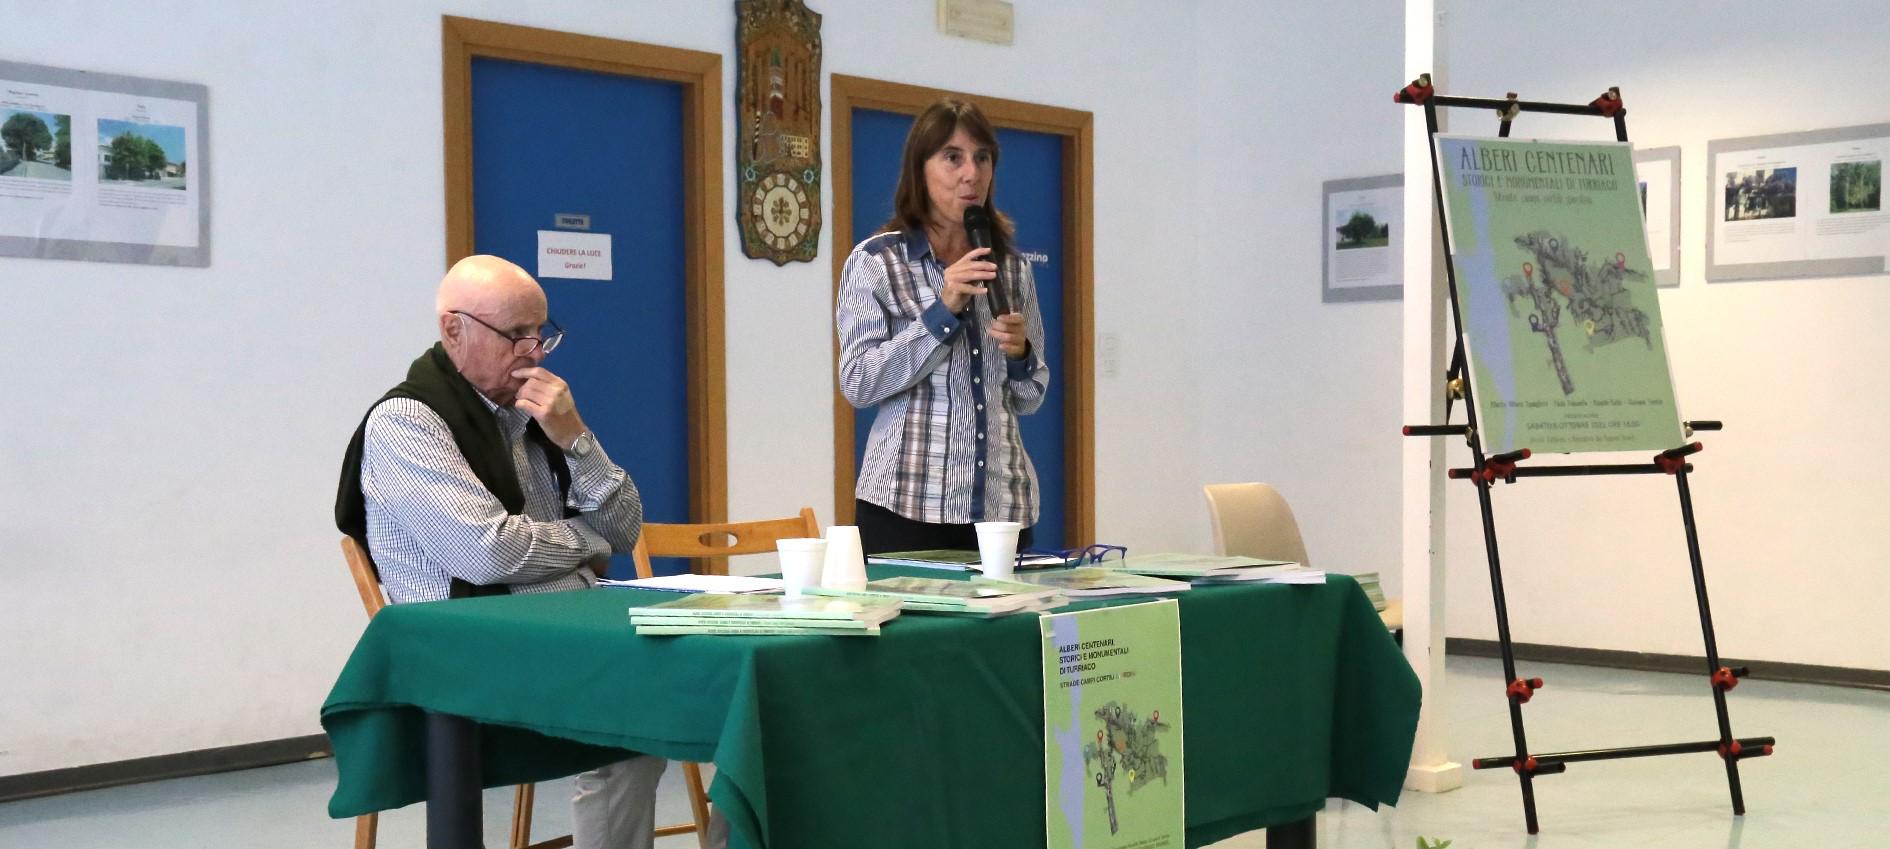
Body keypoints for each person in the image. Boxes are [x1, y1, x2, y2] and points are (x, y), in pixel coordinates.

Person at [335, 254, 724, 849]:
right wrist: (582, 542)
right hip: (468, 648)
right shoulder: (407, 421)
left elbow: (624, 529)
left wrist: (578, 439)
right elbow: (487, 552)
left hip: (563, 628)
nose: (535, 352)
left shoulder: (535, 415)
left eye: (542, 333)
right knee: (641, 722)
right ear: (453, 329)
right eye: (515, 335)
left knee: (723, 697)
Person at [835, 98, 1051, 554]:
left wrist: (1021, 357)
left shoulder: (1011, 269)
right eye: (952, 157)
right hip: (904, 510)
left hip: (1002, 511)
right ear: (921, 170)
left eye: (982, 158)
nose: (970, 173)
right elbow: (858, 382)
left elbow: (1029, 398)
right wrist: (941, 312)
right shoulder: (877, 263)